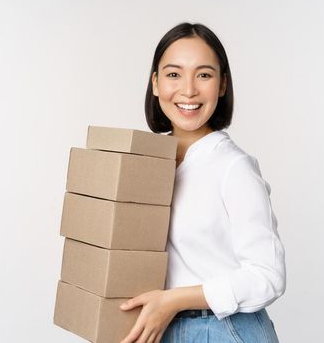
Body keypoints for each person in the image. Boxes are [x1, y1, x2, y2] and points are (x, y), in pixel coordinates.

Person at [119, 22, 286, 343]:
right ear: (155, 84)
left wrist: (174, 300)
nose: (189, 89)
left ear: (222, 85)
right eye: (173, 74)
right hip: (161, 328)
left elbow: (269, 277)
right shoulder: (147, 164)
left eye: (204, 75)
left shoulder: (233, 167)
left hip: (223, 330)